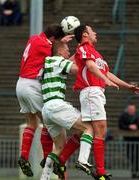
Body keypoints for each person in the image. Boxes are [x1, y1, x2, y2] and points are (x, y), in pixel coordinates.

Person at [73, 25, 139, 180]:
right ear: (85, 35)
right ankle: (101, 172)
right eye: (92, 31)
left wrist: (128, 86)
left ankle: (66, 158)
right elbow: (91, 67)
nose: (95, 33)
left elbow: (108, 73)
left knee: (89, 130)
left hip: (96, 92)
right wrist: (104, 80)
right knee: (100, 130)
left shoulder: (96, 53)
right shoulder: (83, 48)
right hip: (91, 91)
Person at [16, 24, 74, 177]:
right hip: (32, 85)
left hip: (20, 84)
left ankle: (24, 155)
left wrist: (61, 41)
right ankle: (47, 157)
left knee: (32, 124)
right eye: (59, 40)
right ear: (54, 39)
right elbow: (57, 54)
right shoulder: (44, 45)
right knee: (49, 122)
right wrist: (62, 43)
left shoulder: (34, 38)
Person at [40, 41, 94, 180]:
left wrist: (77, 53)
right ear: (59, 52)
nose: (68, 52)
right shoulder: (58, 60)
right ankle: (83, 161)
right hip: (57, 105)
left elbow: (65, 62)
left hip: (46, 109)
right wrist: (86, 58)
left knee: (59, 147)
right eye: (66, 49)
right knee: (88, 128)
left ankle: (44, 177)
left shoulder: (49, 61)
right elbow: (75, 69)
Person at [119, 103, 139, 178]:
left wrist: (136, 126)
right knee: (130, 156)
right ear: (127, 109)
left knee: (138, 156)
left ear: (135, 110)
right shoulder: (123, 116)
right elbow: (121, 125)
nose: (131, 111)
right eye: (130, 109)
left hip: (138, 140)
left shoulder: (138, 116)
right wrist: (129, 127)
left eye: (132, 109)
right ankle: (134, 171)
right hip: (128, 140)